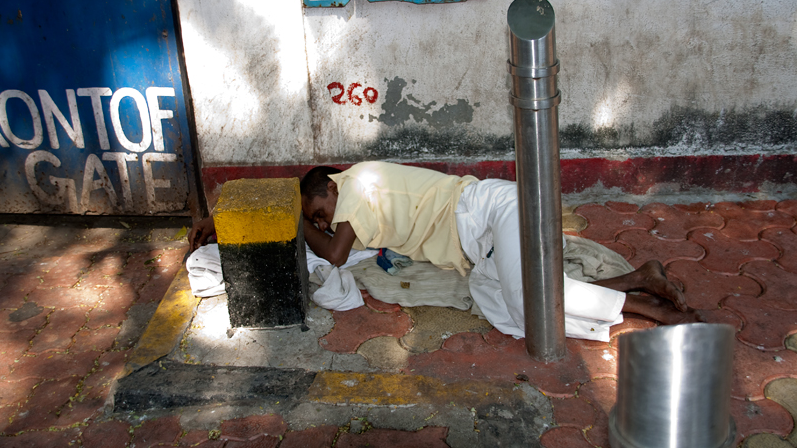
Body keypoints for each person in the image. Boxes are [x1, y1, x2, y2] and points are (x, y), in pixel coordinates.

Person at [190, 161, 704, 341]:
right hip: (479, 248)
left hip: (494, 210)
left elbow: (336, 255)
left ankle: (645, 306)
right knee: (508, 315)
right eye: (315, 219)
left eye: (317, 211)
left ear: (327, 187)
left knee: (529, 305)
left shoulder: (358, 190)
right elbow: (282, 200)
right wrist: (223, 224)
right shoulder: (344, 193)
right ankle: (636, 278)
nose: (321, 223)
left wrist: (303, 226)